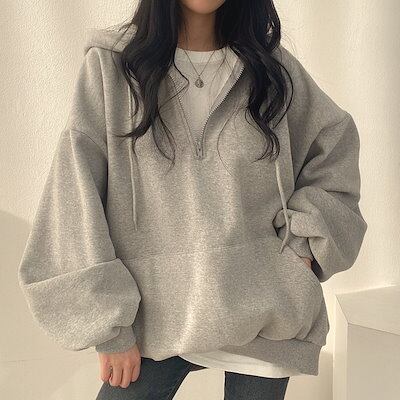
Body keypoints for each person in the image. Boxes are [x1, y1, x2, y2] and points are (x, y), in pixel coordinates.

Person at [17, 1, 368, 399]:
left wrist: (303, 247)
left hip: (265, 313)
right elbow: (73, 194)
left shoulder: (272, 70)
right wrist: (108, 327)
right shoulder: (112, 68)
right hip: (153, 316)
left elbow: (334, 147)